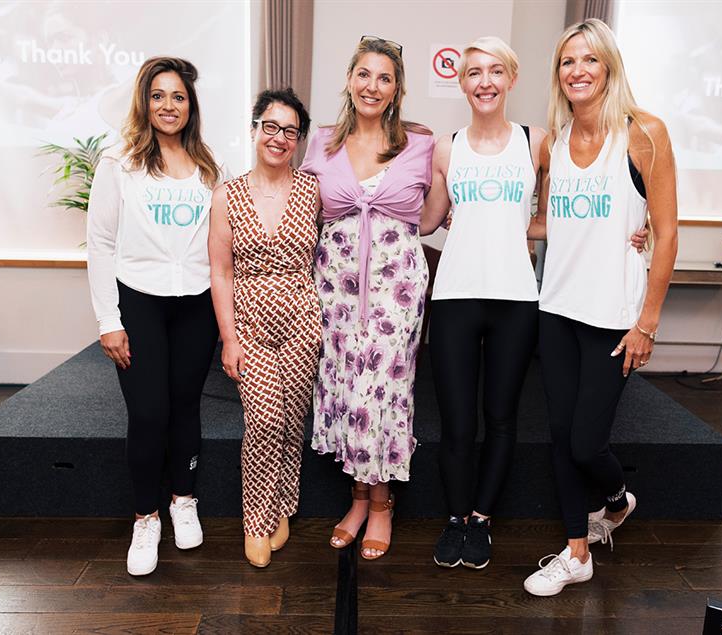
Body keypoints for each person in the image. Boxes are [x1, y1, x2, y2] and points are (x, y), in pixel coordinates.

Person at [419, 37, 648, 571]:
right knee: (456, 424)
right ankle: (455, 520)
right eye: (474, 72)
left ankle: (481, 520)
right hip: (454, 296)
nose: (484, 82)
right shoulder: (447, 147)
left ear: (512, 79)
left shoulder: (540, 141)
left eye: (496, 71)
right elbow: (429, 220)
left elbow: (579, 204)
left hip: (519, 301)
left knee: (501, 419)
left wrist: (646, 229)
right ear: (462, 81)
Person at [523, 19, 678, 596]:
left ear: (609, 66)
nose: (578, 71)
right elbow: (552, 223)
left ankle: (616, 499)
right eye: (567, 62)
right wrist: (495, 223)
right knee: (561, 437)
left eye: (589, 60)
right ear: (558, 74)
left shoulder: (644, 134)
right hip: (557, 308)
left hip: (615, 318)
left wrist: (648, 322)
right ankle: (576, 552)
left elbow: (667, 233)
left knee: (587, 442)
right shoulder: (555, 141)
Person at [87, 57, 225, 576]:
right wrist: (108, 319)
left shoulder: (211, 166)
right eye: (159, 96)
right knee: (148, 413)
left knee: (185, 407)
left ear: (191, 106)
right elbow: (99, 244)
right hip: (138, 301)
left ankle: (182, 499)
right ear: (144, 103)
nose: (170, 106)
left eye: (179, 97)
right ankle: (146, 517)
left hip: (194, 304)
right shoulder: (119, 161)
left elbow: (220, 246)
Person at [300, 37, 434, 560]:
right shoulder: (323, 143)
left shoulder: (419, 144)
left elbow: (435, 211)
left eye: (384, 77)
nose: (372, 85)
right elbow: (305, 213)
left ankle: (381, 505)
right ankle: (358, 498)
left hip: (396, 285)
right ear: (349, 79)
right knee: (346, 387)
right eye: (364, 74)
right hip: (334, 286)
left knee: (382, 388)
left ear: (397, 88)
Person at [208, 88, 320, 568]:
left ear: (298, 140)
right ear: (254, 129)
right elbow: (221, 272)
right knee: (265, 420)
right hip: (250, 323)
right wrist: (229, 339)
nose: (278, 138)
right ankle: (255, 519)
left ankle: (282, 506)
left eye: (289, 131)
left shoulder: (312, 190)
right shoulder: (226, 195)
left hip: (301, 318)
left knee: (292, 419)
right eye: (270, 127)